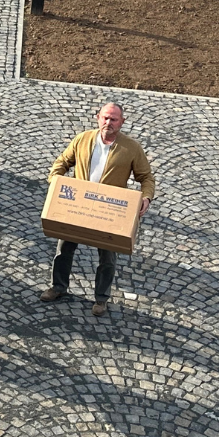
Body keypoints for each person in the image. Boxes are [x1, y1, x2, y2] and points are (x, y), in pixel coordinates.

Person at [41, 102, 155, 316]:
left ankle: (101, 299)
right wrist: (55, 182)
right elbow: (63, 161)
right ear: (97, 118)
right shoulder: (83, 139)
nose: (108, 123)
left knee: (107, 258)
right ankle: (58, 287)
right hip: (77, 207)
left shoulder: (131, 148)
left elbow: (146, 177)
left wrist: (146, 197)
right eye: (105, 118)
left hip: (109, 212)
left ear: (122, 122)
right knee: (63, 249)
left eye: (113, 119)